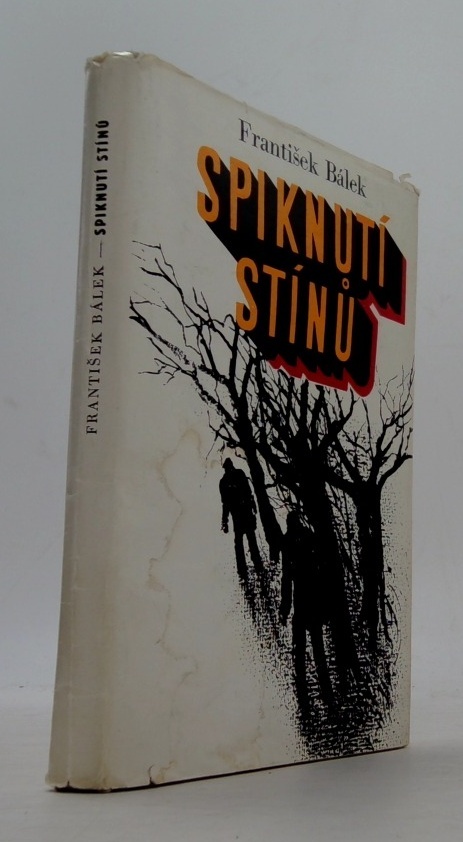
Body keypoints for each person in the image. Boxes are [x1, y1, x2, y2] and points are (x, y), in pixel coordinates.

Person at [279, 511, 333, 705]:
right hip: (314, 601)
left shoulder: (288, 543)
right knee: (318, 648)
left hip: (301, 603)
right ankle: (326, 691)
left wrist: (284, 609)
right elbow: (322, 573)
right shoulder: (310, 538)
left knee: (300, 649)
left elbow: (287, 578)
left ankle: (303, 693)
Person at [219, 458, 262, 578]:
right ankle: (255, 565)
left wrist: (225, 521)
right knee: (248, 539)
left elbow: (226, 504)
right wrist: (225, 521)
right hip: (242, 513)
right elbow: (248, 493)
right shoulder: (237, 475)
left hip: (240, 514)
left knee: (242, 541)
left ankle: (245, 568)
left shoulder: (224, 481)